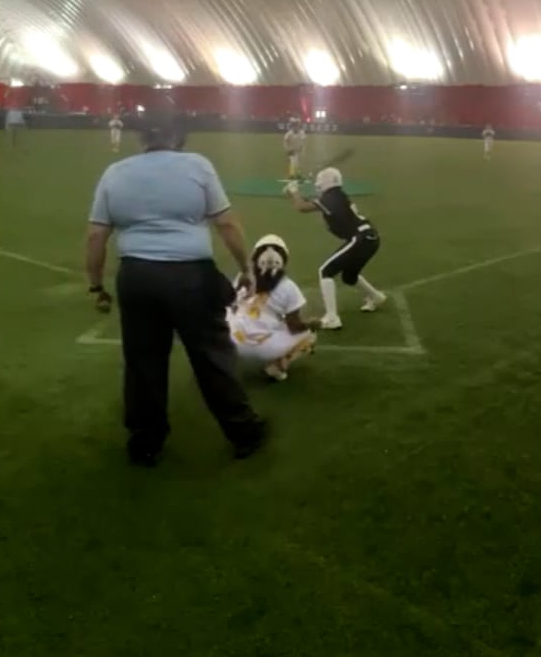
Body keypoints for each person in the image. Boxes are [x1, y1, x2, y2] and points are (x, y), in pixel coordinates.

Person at [86, 108, 267, 465]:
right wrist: (245, 268)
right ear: (178, 136)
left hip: (137, 277)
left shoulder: (114, 173)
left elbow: (96, 236)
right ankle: (243, 432)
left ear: (140, 137)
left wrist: (96, 286)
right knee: (212, 356)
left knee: (143, 362)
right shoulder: (197, 166)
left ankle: (145, 443)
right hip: (191, 277)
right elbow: (226, 224)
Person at [288, 167, 388, 330]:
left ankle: (332, 317)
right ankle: (375, 296)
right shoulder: (336, 196)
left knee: (325, 271)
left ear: (328, 181)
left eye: (320, 180)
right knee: (349, 276)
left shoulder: (331, 197)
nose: (318, 183)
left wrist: (293, 191)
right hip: (370, 238)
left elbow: (302, 207)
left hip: (361, 238)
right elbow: (310, 203)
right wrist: (294, 194)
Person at [228, 234, 318, 382]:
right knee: (309, 335)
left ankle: (218, 360)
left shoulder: (242, 277)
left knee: (231, 314)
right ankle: (277, 367)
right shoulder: (288, 286)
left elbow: (230, 303)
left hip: (229, 341)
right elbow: (294, 326)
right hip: (262, 349)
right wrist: (312, 324)